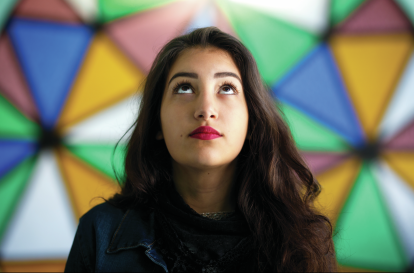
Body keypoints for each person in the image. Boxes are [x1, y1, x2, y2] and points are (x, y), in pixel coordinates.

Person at [65, 27, 336, 272]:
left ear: (253, 121)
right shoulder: (99, 232)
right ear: (157, 121)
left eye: (227, 88)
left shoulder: (304, 241)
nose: (206, 109)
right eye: (184, 88)